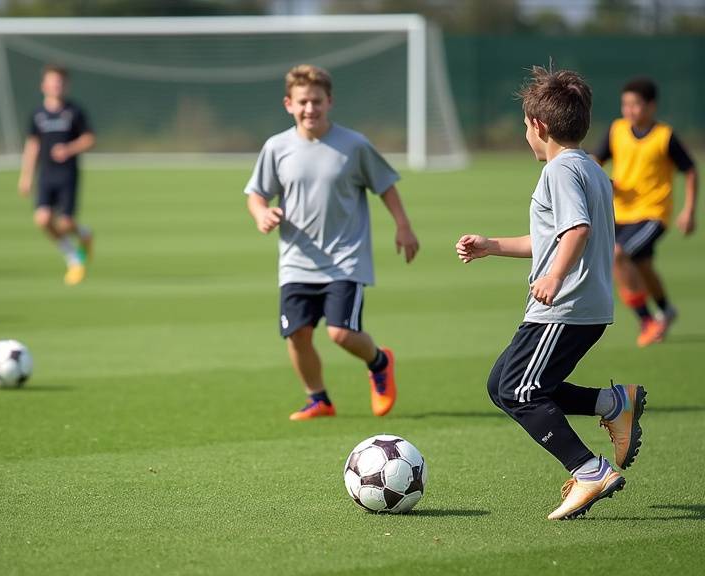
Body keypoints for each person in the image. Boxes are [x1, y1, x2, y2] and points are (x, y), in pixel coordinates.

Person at [456, 67, 646, 520]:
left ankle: (588, 469)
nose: (526, 134)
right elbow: (553, 237)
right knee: (503, 386)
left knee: (520, 391)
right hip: (586, 305)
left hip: (564, 305)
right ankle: (612, 403)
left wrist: (554, 278)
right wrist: (492, 247)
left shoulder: (559, 171)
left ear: (539, 126)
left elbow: (576, 231)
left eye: (525, 126)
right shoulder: (590, 168)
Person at [244, 64, 419, 421]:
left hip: (345, 258)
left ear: (330, 101)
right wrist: (261, 214)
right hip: (295, 260)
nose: (310, 108)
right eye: (303, 102)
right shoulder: (276, 148)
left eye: (317, 101)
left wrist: (403, 225)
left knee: (341, 333)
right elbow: (256, 194)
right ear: (288, 104)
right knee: (297, 335)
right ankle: (318, 399)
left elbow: (385, 185)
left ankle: (379, 361)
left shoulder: (353, 145)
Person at [593, 77, 697, 347]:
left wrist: (689, 210)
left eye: (636, 104)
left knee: (617, 255)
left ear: (651, 106)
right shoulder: (617, 130)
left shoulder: (665, 136)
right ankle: (666, 310)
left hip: (653, 214)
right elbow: (596, 159)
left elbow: (690, 170)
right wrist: (598, 178)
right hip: (621, 213)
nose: (629, 110)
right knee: (643, 266)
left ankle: (647, 320)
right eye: (625, 104)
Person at [17, 65, 95, 286]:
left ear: (66, 85)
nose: (56, 86)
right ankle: (72, 256)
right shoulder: (37, 115)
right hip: (46, 174)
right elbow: (32, 145)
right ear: (43, 85)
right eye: (52, 82)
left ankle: (83, 233)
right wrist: (26, 176)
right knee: (42, 219)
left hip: (67, 174)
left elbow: (90, 139)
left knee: (67, 223)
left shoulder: (74, 111)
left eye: (60, 82)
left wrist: (68, 149)